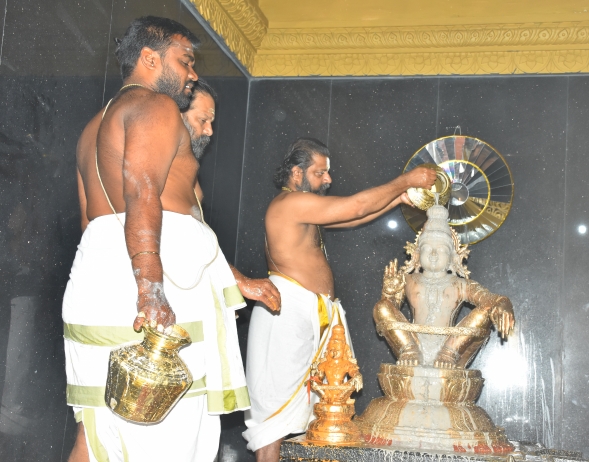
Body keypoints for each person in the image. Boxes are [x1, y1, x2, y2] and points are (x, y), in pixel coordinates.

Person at [64, 17, 275, 462]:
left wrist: (234, 279)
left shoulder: (91, 129)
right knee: (169, 434)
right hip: (153, 277)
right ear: (149, 58)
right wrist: (149, 289)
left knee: (99, 429)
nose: (192, 73)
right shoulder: (155, 105)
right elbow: (144, 194)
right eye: (185, 61)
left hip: (98, 276)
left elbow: (90, 221)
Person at [242, 138, 437, 461]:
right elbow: (356, 206)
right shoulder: (288, 203)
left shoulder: (304, 206)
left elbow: (351, 218)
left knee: (321, 408)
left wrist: (398, 198)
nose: (328, 179)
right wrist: (406, 180)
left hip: (313, 313)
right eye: (320, 173)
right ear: (296, 172)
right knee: (274, 417)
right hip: (286, 311)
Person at [181, 78, 280, 305]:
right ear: (177, 115)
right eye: (203, 120)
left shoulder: (187, 169)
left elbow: (198, 240)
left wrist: (228, 283)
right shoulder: (154, 163)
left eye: (211, 122)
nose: (209, 131)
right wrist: (236, 281)